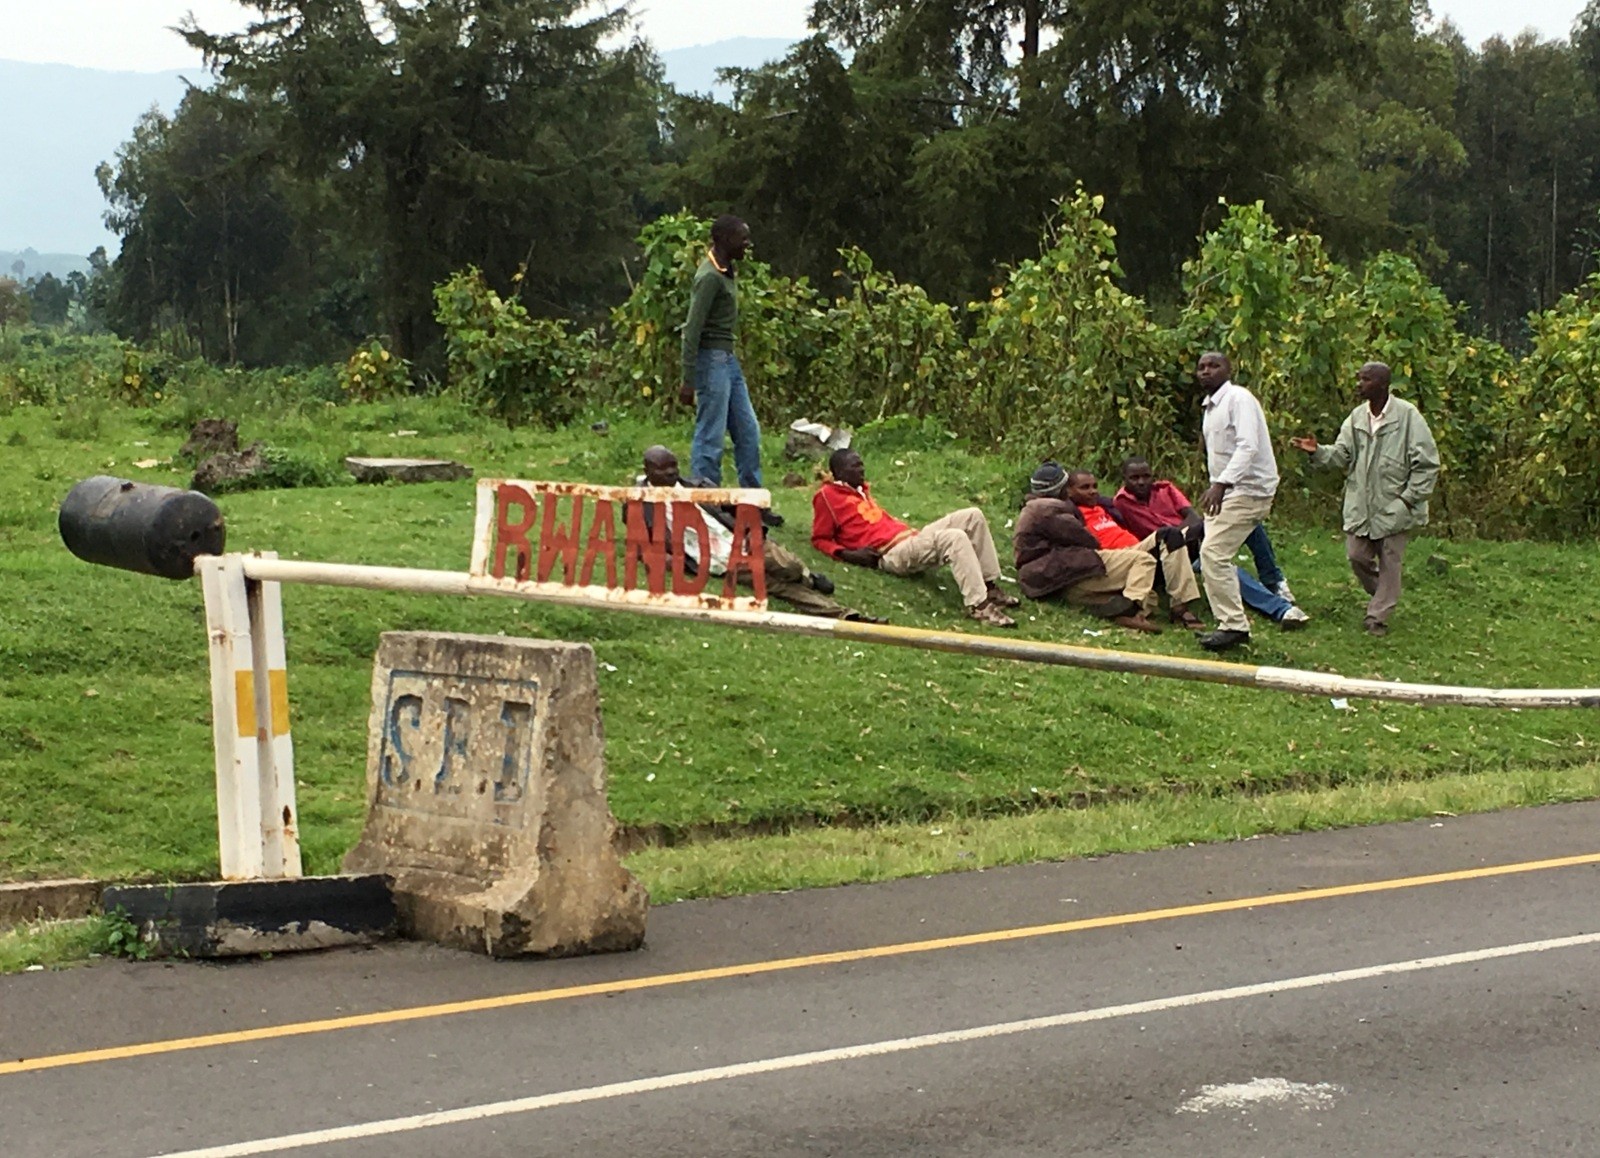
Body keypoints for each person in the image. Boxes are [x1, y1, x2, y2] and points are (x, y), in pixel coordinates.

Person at [640, 447, 881, 621]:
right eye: (663, 469)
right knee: (778, 587)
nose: (671, 472)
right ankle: (847, 616)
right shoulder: (639, 504)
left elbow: (739, 506)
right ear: (648, 471)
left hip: (742, 539)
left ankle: (808, 577)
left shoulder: (698, 486)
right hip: (719, 560)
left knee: (787, 567)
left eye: (674, 466)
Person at [1290, 361, 1439, 637]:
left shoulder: (1408, 416)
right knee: (1356, 556)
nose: (1359, 384)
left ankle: (1377, 618)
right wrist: (1317, 452)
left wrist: (1408, 500)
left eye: (1366, 380)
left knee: (1390, 560)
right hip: (1361, 505)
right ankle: (1383, 595)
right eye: (1359, 379)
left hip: (1395, 503)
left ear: (1383, 384)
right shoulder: (1357, 417)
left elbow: (1427, 464)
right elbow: (1342, 455)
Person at [812, 448, 1020, 627]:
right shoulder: (827, 496)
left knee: (973, 515)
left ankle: (989, 586)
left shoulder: (859, 490)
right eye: (854, 467)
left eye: (861, 465)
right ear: (839, 472)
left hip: (910, 538)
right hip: (892, 552)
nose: (861, 470)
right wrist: (848, 554)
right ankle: (978, 605)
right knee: (954, 538)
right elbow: (820, 539)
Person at [1113, 457, 1309, 631]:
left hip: (1190, 540)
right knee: (1217, 563)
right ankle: (1280, 607)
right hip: (1164, 555)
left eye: (1146, 476)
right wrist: (1186, 532)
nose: (1141, 482)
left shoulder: (1165, 489)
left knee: (1242, 526)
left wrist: (1186, 532)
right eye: (1134, 478)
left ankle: (1274, 584)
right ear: (1124, 479)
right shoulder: (1121, 502)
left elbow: (1192, 516)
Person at [679, 214, 779, 526]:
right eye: (742, 239)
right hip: (712, 361)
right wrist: (688, 379)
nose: (748, 244)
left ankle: (752, 502)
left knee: (748, 432)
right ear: (723, 240)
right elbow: (691, 330)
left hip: (728, 360)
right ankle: (707, 503)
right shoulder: (709, 277)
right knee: (710, 435)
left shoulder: (727, 271)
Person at [1194, 351, 1280, 652]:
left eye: (1214, 366)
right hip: (1229, 490)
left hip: (1248, 489)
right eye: (1201, 367)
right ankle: (1229, 622)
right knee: (1213, 554)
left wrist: (1221, 483)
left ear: (1229, 370)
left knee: (1213, 553)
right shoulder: (1210, 406)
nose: (1206, 371)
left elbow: (1248, 446)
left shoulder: (1239, 399)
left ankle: (1233, 626)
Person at [1057, 467, 1207, 633]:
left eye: (1094, 486)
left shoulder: (1102, 507)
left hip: (1135, 547)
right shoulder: (1070, 513)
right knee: (1151, 550)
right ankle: (1134, 611)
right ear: (1069, 491)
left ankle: (1180, 607)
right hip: (1114, 558)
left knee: (1171, 535)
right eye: (1085, 488)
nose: (1093, 492)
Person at [1013, 464, 1159, 633]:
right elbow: (1087, 540)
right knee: (1144, 560)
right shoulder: (1051, 510)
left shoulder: (1034, 507)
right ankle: (1134, 611)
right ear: (1062, 489)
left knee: (1148, 592)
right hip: (1059, 572)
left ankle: (1111, 606)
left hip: (1051, 575)